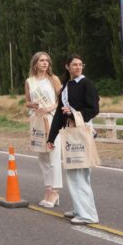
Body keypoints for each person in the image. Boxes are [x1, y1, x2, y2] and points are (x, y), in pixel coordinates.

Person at [46, 54, 100, 225]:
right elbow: (58, 116)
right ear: (67, 66)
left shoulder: (86, 84)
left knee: (80, 174)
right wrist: (51, 137)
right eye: (74, 64)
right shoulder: (65, 87)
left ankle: (88, 215)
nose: (78, 67)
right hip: (70, 132)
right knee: (73, 172)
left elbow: (93, 109)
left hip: (82, 132)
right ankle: (79, 208)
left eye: (80, 64)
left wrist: (75, 114)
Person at [25, 52, 62, 208]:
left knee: (53, 154)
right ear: (35, 64)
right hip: (38, 120)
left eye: (47, 60)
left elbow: (61, 99)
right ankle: (48, 189)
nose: (45, 63)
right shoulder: (30, 81)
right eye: (42, 60)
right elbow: (26, 101)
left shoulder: (53, 79)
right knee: (42, 156)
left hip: (53, 119)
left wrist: (50, 107)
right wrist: (33, 105)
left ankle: (55, 191)